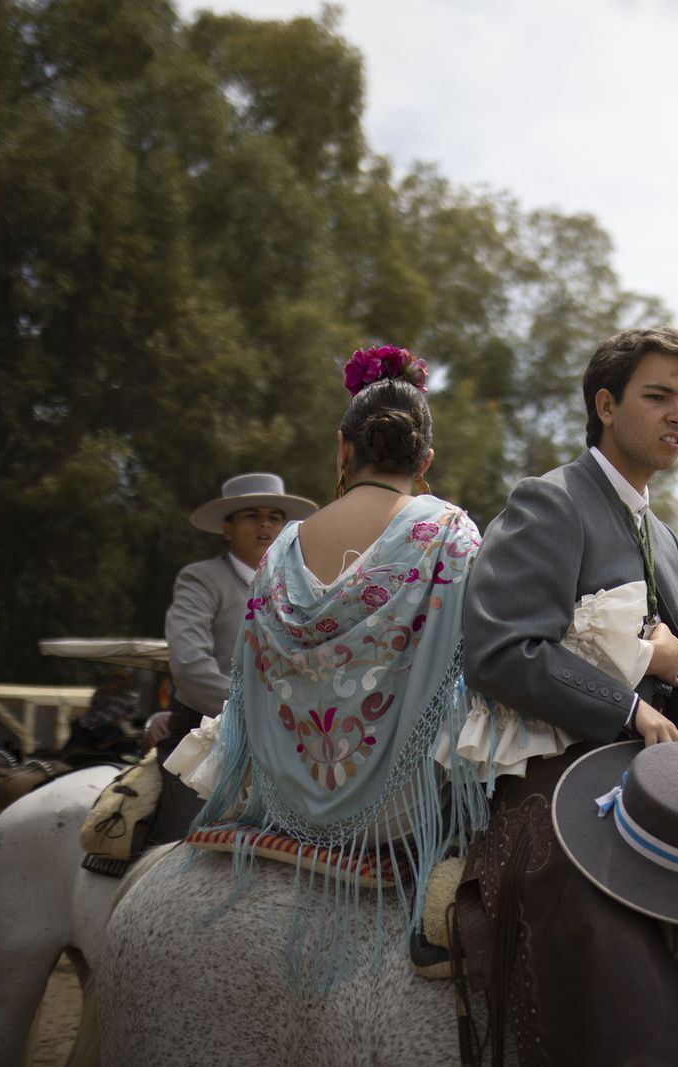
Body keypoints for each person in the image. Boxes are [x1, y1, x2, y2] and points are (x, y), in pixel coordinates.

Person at [462, 325, 678, 1066]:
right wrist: (630, 707)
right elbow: (500, 649)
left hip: (639, 773)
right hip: (550, 776)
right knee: (600, 921)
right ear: (605, 404)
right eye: (658, 396)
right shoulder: (549, 502)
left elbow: (660, 670)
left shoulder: (667, 537)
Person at [188, 346, 487, 982]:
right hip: (402, 808)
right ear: (425, 461)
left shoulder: (282, 548)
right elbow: (474, 667)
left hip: (282, 800)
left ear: (343, 451)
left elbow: (248, 682)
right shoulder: (451, 532)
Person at [145, 471, 316, 843]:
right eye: (252, 516)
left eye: (274, 516)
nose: (266, 525)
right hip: (205, 738)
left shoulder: (302, 588)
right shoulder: (201, 579)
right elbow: (190, 668)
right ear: (227, 529)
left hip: (288, 739)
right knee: (176, 839)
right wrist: (259, 710)